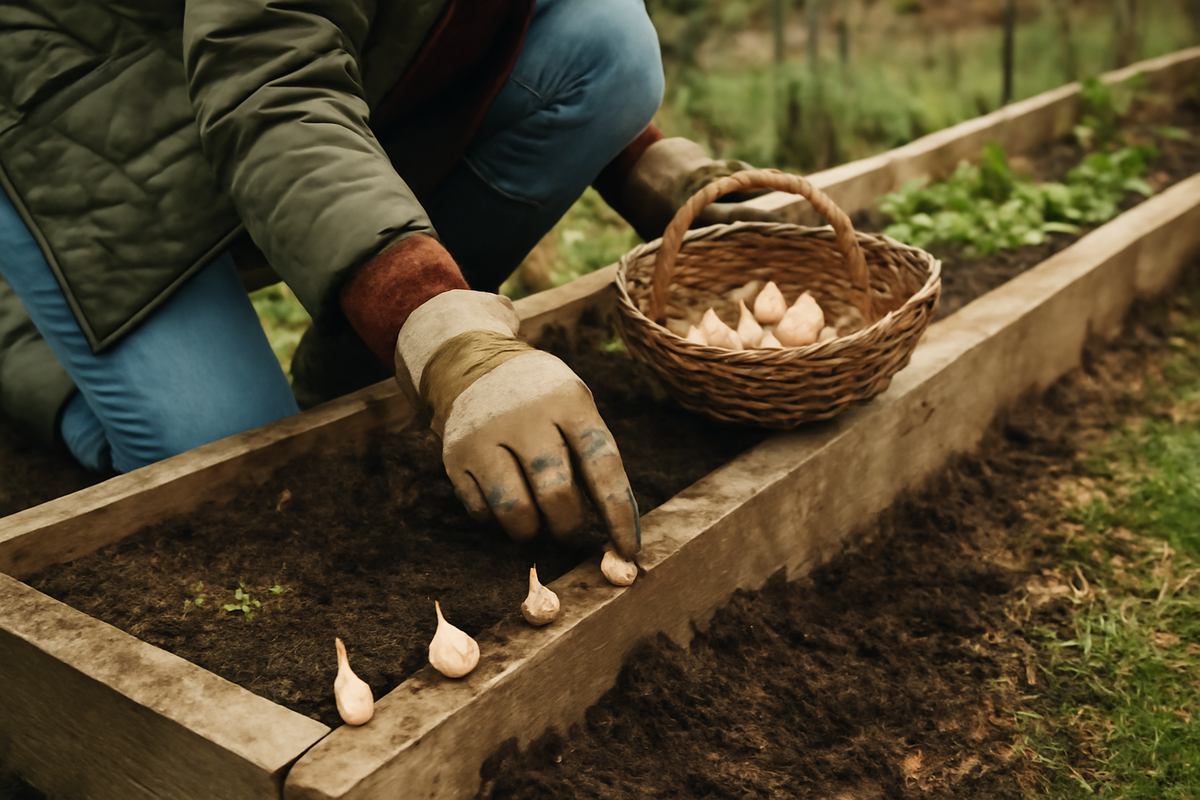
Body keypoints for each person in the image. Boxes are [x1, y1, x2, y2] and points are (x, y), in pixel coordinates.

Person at [0, 0, 776, 558]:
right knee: (228, 471)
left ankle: (358, 367)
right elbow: (272, 85)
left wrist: (643, 161)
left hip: (233, 47)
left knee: (609, 39)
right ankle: (24, 323)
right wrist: (442, 331)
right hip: (75, 92)